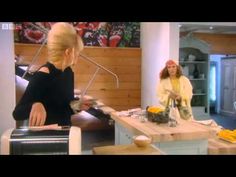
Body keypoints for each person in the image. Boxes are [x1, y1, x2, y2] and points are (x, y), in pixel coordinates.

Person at [13, 22, 91, 127]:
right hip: (46, 139)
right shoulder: (43, 75)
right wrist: (35, 105)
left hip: (65, 133)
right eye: (77, 53)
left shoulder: (68, 72)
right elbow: (17, 113)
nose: (77, 58)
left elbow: (64, 108)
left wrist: (78, 105)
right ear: (68, 52)